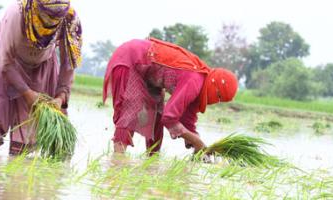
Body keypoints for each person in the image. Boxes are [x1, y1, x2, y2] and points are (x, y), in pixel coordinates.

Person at [0, 0, 82, 155]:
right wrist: (27, 93)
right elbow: (5, 62)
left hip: (42, 59)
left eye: (55, 19)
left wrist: (60, 96)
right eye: (46, 16)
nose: (50, 21)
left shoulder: (69, 19)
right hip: (7, 54)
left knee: (32, 121)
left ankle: (19, 170)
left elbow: (69, 62)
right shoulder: (17, 13)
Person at [102, 38, 238, 155]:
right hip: (132, 58)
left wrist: (196, 143)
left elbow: (187, 120)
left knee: (157, 114)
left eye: (220, 100)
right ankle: (117, 161)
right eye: (218, 95)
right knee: (131, 110)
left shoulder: (200, 84)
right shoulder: (194, 80)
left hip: (149, 75)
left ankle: (152, 162)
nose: (215, 101)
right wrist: (197, 141)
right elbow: (170, 118)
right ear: (214, 84)